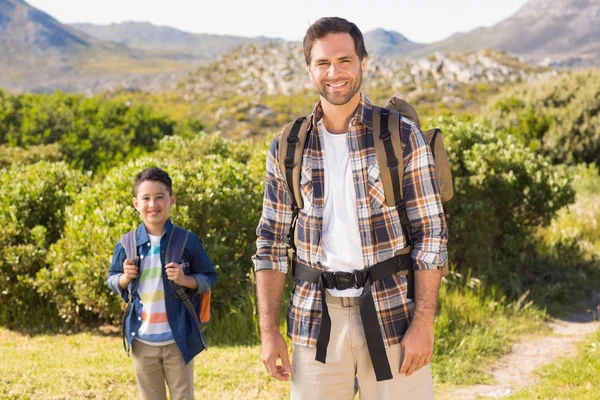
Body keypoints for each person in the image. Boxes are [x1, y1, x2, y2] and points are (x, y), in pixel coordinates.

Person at [252, 17, 448, 399]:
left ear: (363, 62)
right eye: (323, 63)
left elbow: (431, 233)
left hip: (392, 313)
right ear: (309, 68)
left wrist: (423, 322)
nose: (334, 73)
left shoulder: (400, 135)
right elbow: (271, 244)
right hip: (315, 321)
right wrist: (268, 331)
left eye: (344, 60)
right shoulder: (287, 146)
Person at [107, 167, 217, 400]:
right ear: (136, 203)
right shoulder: (127, 243)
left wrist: (185, 279)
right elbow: (112, 278)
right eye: (146, 198)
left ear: (171, 200)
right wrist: (125, 277)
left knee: (182, 396)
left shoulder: (187, 240)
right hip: (142, 342)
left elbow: (209, 277)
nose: (152, 204)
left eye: (159, 197)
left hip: (178, 340)